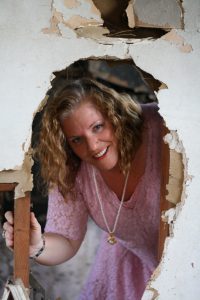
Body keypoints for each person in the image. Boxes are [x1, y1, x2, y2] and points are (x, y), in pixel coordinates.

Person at [3, 78, 164, 300]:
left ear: (116, 116)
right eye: (77, 140)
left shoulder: (162, 124)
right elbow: (66, 240)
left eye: (98, 127)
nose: (93, 146)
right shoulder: (71, 167)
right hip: (138, 269)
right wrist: (36, 246)